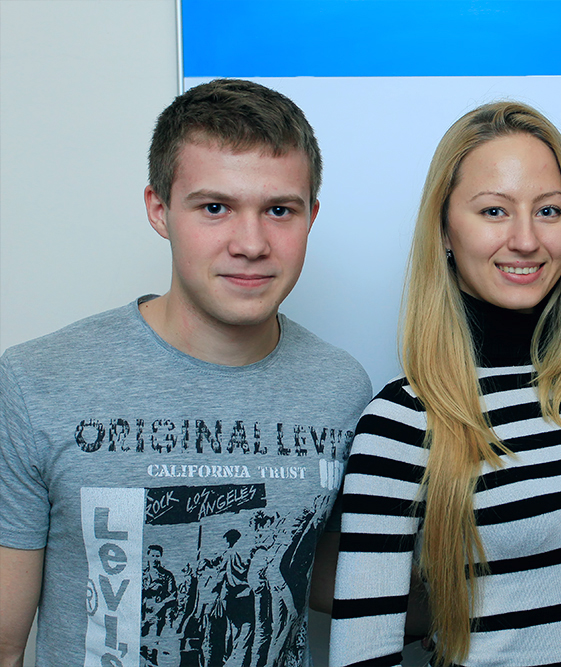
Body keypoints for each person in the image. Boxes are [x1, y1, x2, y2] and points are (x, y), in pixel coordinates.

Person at [0, 79, 372, 667]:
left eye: (279, 210)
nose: (251, 244)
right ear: (159, 210)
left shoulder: (343, 388)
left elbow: (331, 576)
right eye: (214, 208)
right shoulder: (35, 381)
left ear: (311, 216)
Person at [329, 102, 561, 666]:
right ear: (444, 230)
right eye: (493, 211)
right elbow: (362, 653)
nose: (526, 240)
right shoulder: (401, 422)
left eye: (549, 210)